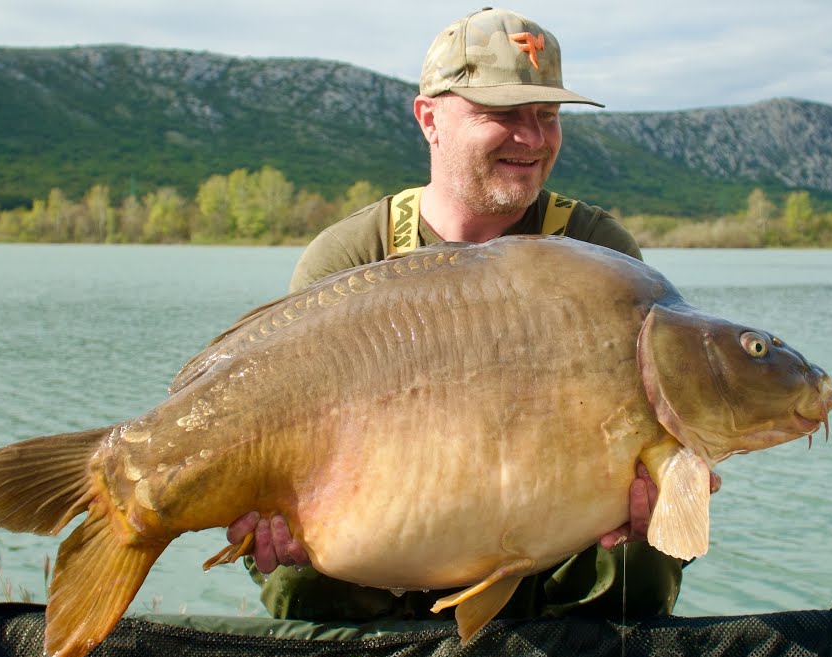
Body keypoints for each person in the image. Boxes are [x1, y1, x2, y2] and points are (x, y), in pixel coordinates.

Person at [226, 7, 719, 625]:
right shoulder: (352, 257)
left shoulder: (598, 251)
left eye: (546, 116)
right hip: (391, 538)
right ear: (429, 118)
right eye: (504, 115)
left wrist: (668, 491)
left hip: (549, 545)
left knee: (640, 559)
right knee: (294, 570)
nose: (534, 139)